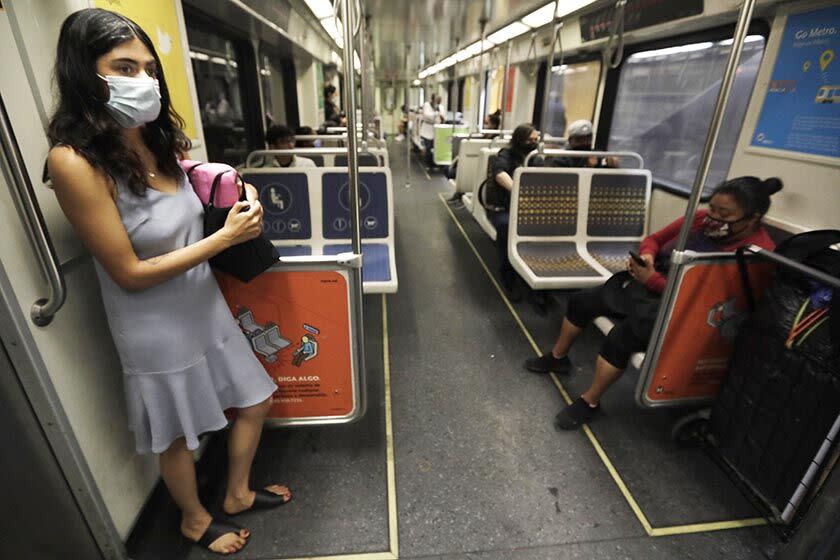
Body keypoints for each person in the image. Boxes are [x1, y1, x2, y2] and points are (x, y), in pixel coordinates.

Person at [46, 9, 291, 555]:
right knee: (178, 434)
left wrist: (227, 197)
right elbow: (129, 273)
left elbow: (181, 216)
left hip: (203, 304)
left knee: (254, 398)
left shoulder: (156, 142)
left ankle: (236, 493)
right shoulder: (73, 162)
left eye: (149, 69)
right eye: (124, 67)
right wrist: (222, 241)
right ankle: (195, 520)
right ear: (86, 74)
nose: (143, 81)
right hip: (153, 323)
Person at [524, 177, 783, 430]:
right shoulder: (699, 220)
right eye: (712, 207)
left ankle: (590, 401)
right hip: (653, 287)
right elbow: (655, 239)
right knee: (583, 301)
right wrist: (647, 257)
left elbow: (704, 300)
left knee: (620, 337)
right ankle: (558, 358)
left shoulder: (755, 254)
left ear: (752, 218)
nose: (713, 217)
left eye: (724, 214)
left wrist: (652, 280)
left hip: (687, 312)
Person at [485, 123, 542, 300]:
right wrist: (518, 191)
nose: (533, 143)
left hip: (530, 208)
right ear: (519, 140)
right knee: (506, 226)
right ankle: (507, 275)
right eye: (529, 140)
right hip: (503, 207)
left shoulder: (536, 158)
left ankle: (538, 279)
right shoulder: (506, 154)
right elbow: (500, 173)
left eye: (535, 140)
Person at [550, 119, 619, 169]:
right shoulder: (561, 159)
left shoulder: (597, 156)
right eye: (579, 140)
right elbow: (567, 182)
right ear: (570, 141)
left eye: (588, 139)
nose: (584, 143)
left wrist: (612, 165)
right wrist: (588, 167)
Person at [420, 94, 445, 167]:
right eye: (437, 99)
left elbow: (443, 115)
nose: (438, 101)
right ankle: (428, 163)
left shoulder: (441, 107)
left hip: (437, 128)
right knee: (428, 147)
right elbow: (427, 115)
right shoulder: (427, 105)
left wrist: (440, 115)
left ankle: (436, 162)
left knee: (436, 147)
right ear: (433, 99)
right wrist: (437, 113)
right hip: (427, 128)